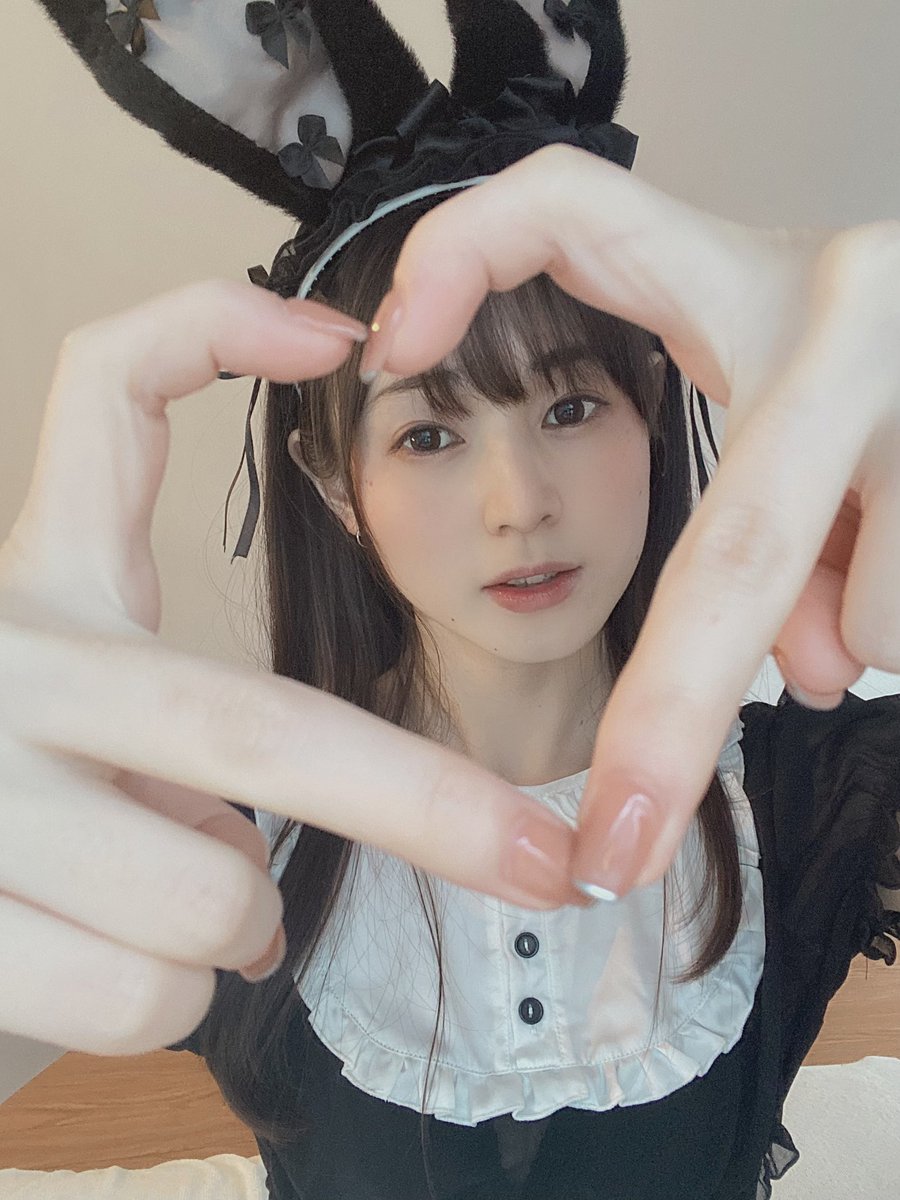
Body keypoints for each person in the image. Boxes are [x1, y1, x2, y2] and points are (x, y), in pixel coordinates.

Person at [3, 2, 898, 1198]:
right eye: (428, 434)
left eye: (571, 407)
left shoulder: (813, 797)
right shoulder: (215, 838)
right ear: (335, 483)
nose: (518, 502)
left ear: (651, 409)